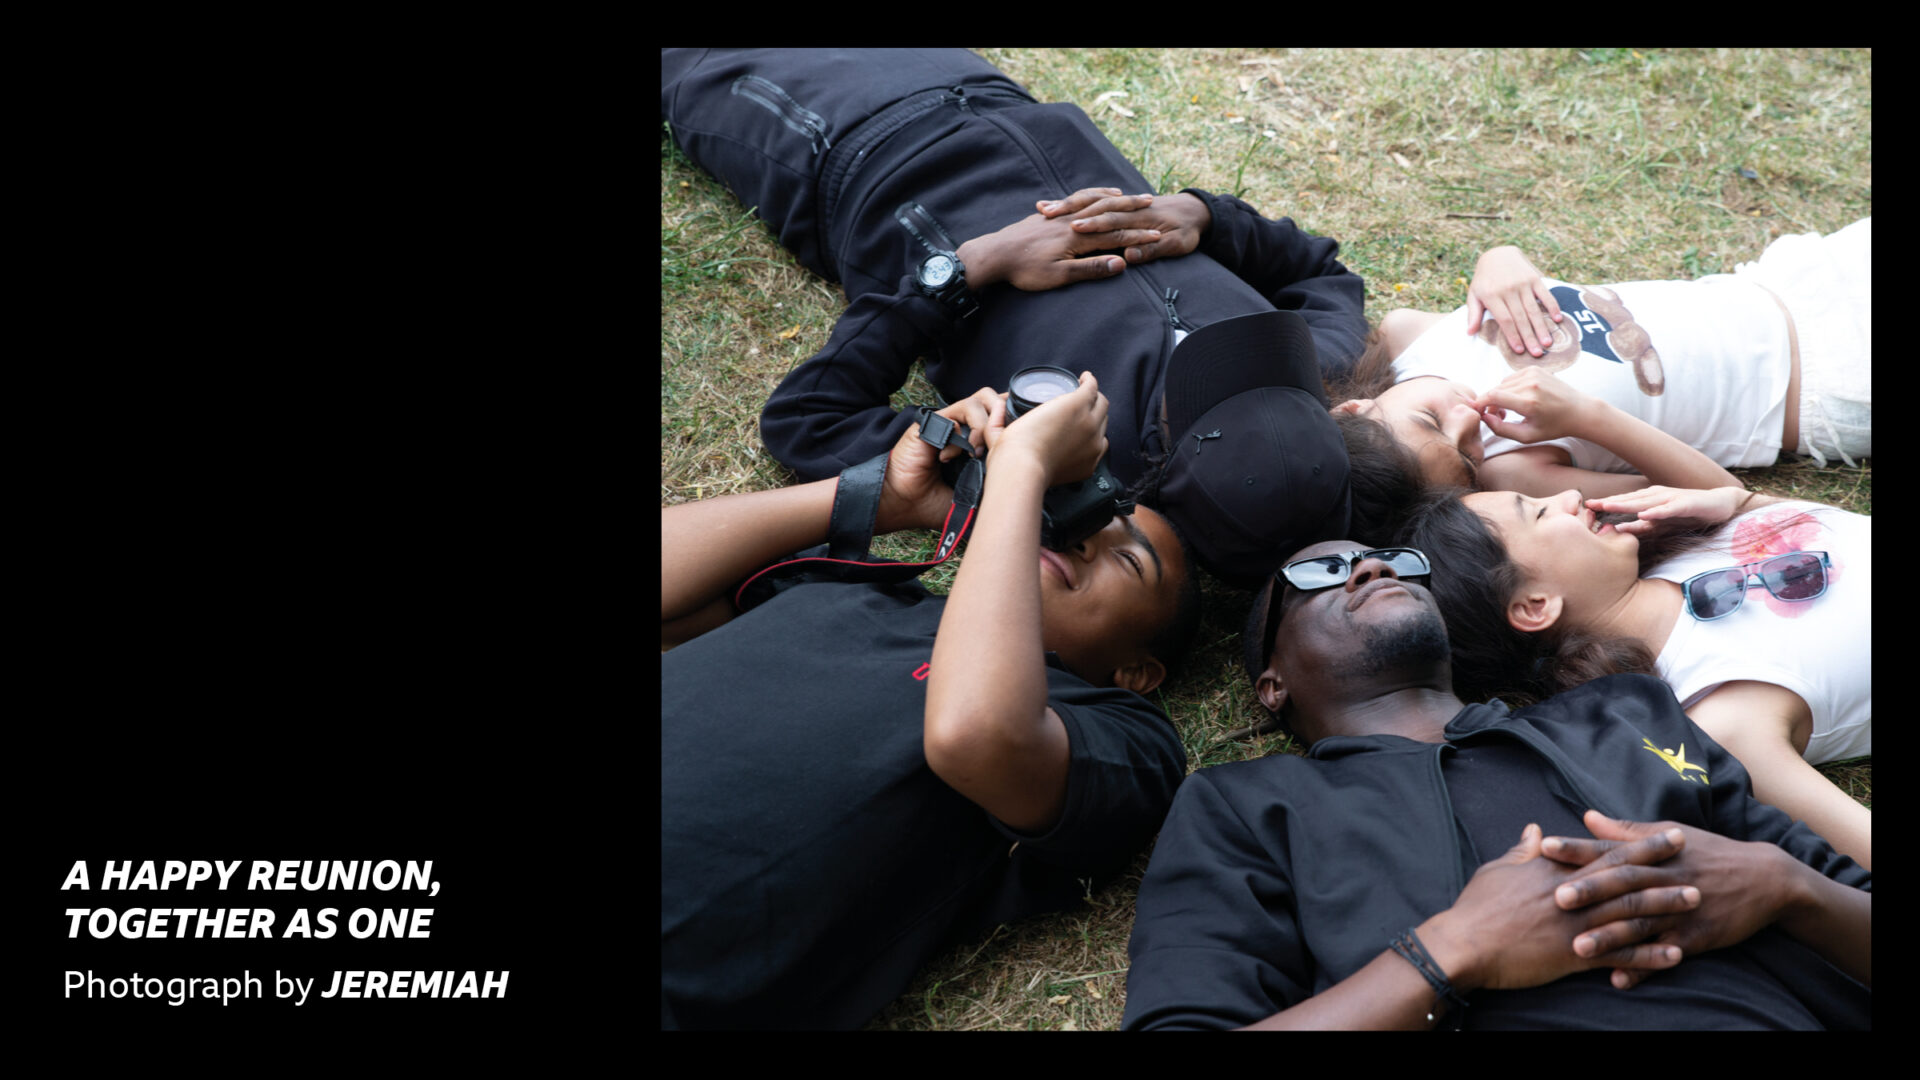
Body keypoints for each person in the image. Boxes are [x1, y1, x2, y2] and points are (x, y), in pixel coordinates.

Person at [662, 48, 1378, 585]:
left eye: (1199, 394)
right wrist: (1204, 216)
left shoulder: (1051, 446)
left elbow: (808, 419)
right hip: (987, 93)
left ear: (1155, 478)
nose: (1225, 356)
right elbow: (1323, 272)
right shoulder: (1293, 365)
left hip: (833, 148)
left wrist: (973, 266)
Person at [1120, 543, 1870, 1030]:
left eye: (1397, 559)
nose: (1374, 569)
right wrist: (1450, 950)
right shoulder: (1242, 807)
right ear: (1272, 684)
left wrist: (1780, 884)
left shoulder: (1628, 709)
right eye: (1320, 573)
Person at [661, 375, 1201, 1029]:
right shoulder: (864, 593)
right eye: (1080, 513)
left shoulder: (1122, 733)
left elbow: (974, 735)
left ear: (1138, 671)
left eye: (1130, 560)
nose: (1082, 538)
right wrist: (877, 496)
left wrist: (1022, 467)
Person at [1395, 484, 1869, 869]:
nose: (1570, 495)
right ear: (1535, 606)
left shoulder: (1680, 553)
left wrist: (1737, 501)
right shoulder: (1720, 707)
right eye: (1538, 513)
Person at [1320, 219, 1871, 494]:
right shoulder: (1511, 471)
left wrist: (1499, 258)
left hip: (1793, 283)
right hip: (1828, 380)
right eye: (1464, 453)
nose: (1468, 419)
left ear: (1354, 409)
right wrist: (1586, 418)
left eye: (1431, 418)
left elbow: (1504, 279)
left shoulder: (1408, 335)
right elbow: (1718, 496)